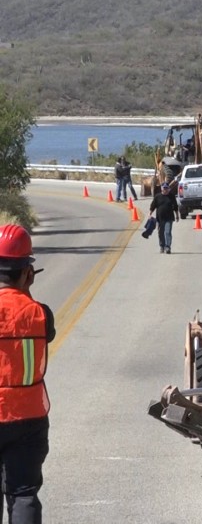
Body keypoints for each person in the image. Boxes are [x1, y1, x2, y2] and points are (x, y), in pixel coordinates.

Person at [0, 224, 55, 523]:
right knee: (23, 493)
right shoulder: (40, 314)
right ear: (27, 272)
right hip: (29, 417)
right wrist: (25, 291)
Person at [148, 182, 179, 254]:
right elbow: (153, 206)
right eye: (164, 188)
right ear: (161, 188)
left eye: (166, 188)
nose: (165, 189)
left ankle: (168, 247)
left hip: (169, 218)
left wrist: (177, 215)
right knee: (160, 233)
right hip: (160, 218)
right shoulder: (157, 197)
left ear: (169, 189)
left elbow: (175, 207)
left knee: (167, 232)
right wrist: (150, 214)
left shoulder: (172, 196)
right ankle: (162, 246)